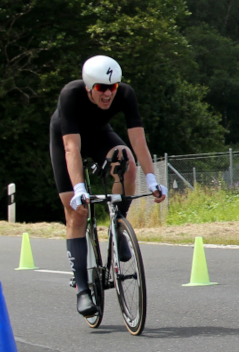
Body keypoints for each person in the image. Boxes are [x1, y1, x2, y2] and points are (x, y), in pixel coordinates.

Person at [49, 55, 167, 317]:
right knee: (77, 212)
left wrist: (151, 178)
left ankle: (117, 226)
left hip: (99, 135)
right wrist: (79, 189)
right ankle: (82, 289)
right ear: (88, 87)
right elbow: (71, 148)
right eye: (101, 88)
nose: (108, 94)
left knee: (127, 161)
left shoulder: (125, 94)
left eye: (112, 87)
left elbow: (138, 141)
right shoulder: (70, 94)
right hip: (66, 140)